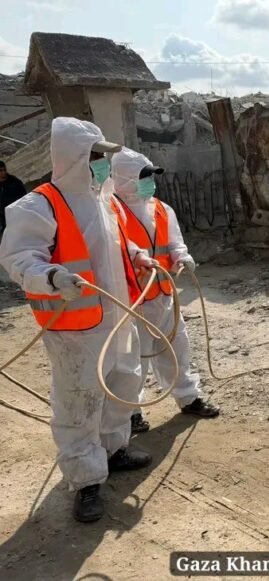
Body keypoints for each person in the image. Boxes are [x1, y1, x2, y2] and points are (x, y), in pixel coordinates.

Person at [0, 117, 156, 523]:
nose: (104, 164)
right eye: (97, 156)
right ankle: (86, 480)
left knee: (123, 383)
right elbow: (19, 257)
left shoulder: (105, 201)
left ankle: (114, 448)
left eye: (106, 157)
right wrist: (49, 276)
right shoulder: (39, 204)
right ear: (75, 157)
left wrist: (139, 256)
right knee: (79, 400)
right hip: (76, 327)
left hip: (119, 316)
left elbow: (123, 242)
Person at [110, 147, 220, 431]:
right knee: (134, 359)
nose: (150, 182)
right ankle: (131, 412)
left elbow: (174, 242)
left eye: (151, 176)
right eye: (144, 177)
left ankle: (188, 397)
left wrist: (183, 257)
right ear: (125, 179)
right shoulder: (111, 211)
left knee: (176, 348)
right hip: (132, 301)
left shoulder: (161, 208)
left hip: (164, 294)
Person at [0, 159, 27, 239]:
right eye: (0, 171)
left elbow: (24, 199)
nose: (3, 173)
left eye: (4, 170)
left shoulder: (15, 182)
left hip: (17, 216)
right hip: (3, 219)